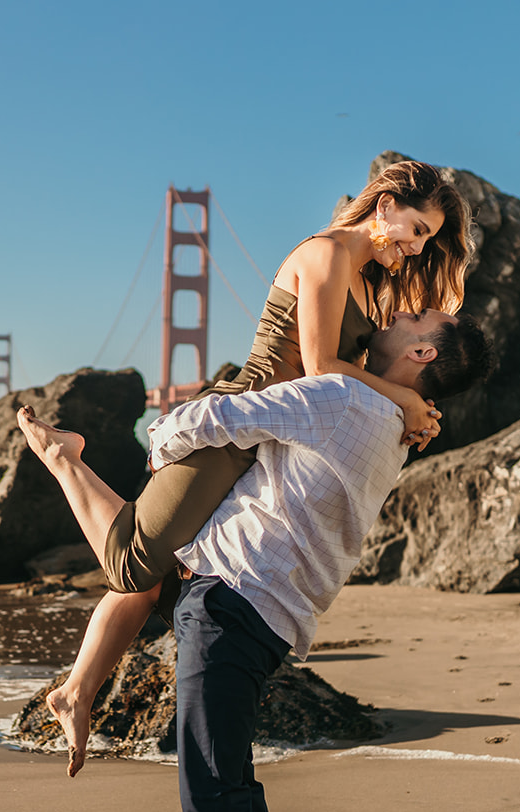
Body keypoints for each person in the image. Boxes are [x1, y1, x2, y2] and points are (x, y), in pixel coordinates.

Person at [17, 308, 496, 812]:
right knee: (232, 783)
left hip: (232, 600)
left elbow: (191, 424)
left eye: (413, 318)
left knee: (210, 793)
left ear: (423, 349)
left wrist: (164, 439)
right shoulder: (392, 424)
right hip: (274, 612)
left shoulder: (341, 400)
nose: (397, 312)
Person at [44, 160, 472, 776]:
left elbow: (356, 385)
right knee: (134, 562)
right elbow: (324, 367)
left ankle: (76, 691)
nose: (416, 245)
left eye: (428, 238)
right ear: (383, 207)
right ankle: (63, 460)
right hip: (237, 429)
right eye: (415, 227)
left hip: (273, 439)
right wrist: (403, 399)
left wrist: (417, 409)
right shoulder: (326, 254)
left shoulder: (370, 280)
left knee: (165, 573)